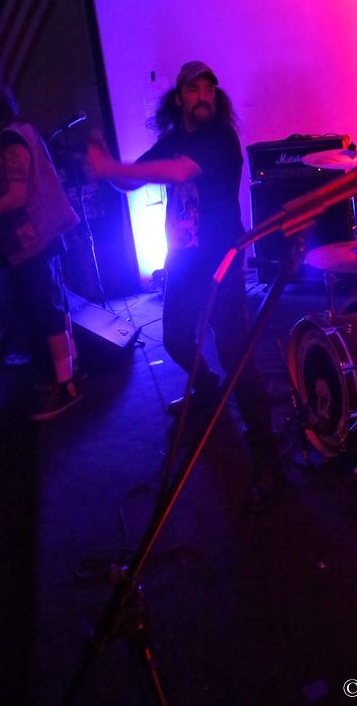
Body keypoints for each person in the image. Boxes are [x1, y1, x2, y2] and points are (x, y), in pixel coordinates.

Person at [86, 61, 283, 510]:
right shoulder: (175, 139)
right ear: (179, 99)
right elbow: (132, 179)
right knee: (175, 337)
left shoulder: (220, 138)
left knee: (235, 352)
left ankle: (266, 458)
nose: (203, 96)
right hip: (183, 259)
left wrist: (109, 165)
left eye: (209, 89)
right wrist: (110, 170)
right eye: (194, 90)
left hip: (223, 257)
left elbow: (177, 172)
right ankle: (207, 390)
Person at [0, 81, 81, 420]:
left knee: (46, 310)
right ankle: (68, 372)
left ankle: (65, 385)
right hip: (37, 237)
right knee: (53, 306)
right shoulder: (13, 133)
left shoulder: (11, 138)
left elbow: (16, 196)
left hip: (34, 239)